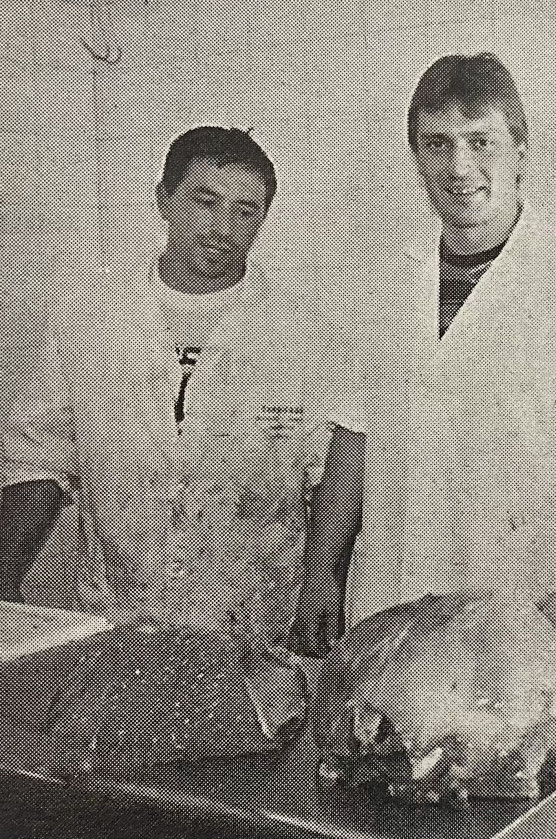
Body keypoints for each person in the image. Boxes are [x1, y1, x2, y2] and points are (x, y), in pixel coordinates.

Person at [292, 53, 556, 649]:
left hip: (521, 621)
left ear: (520, 151)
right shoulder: (384, 289)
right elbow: (351, 447)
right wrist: (320, 577)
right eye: (437, 144)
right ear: (416, 160)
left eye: (479, 141)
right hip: (387, 610)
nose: (459, 166)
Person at [0, 127, 363, 639]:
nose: (223, 227)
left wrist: (322, 586)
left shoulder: (301, 327)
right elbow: (31, 466)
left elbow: (342, 465)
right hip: (96, 610)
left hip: (251, 618)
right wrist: (10, 590)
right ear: (165, 201)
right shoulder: (91, 316)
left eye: (246, 210)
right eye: (205, 201)